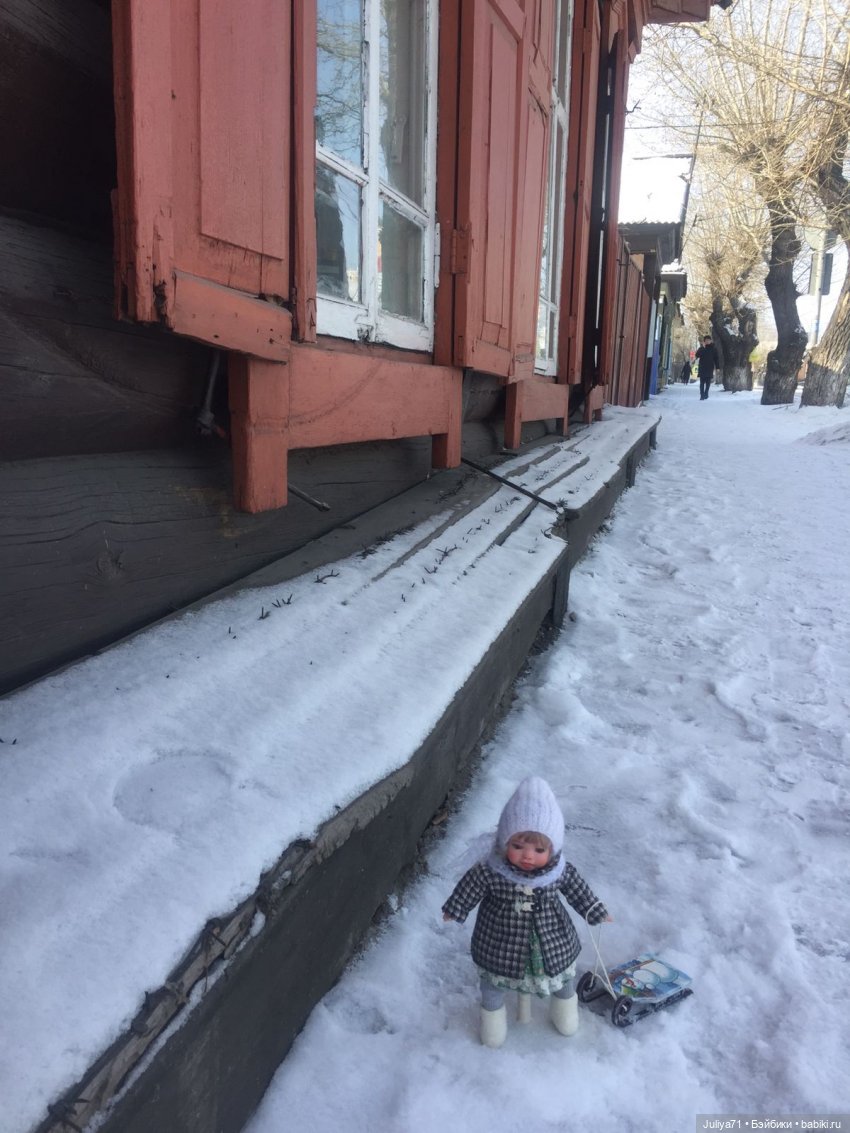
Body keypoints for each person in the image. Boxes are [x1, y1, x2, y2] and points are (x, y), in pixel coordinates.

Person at [442, 776, 610, 1048]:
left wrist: (594, 909)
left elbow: (578, 890)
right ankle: (492, 1020)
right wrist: (457, 907)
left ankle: (564, 1009)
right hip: (499, 939)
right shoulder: (491, 869)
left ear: (552, 848)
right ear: (504, 842)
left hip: (552, 938)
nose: (527, 856)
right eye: (518, 846)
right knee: (492, 984)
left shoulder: (559, 871)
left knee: (563, 977)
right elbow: (470, 887)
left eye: (539, 849)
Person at [695, 335, 720, 399]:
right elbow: (697, 355)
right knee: (702, 382)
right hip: (702, 367)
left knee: (708, 382)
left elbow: (716, 359)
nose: (707, 341)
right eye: (706, 340)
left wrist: (717, 367)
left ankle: (706, 392)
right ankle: (702, 395)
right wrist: (702, 348)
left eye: (708, 340)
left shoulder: (714, 349)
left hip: (709, 367)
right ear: (704, 341)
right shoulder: (702, 348)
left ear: (711, 341)